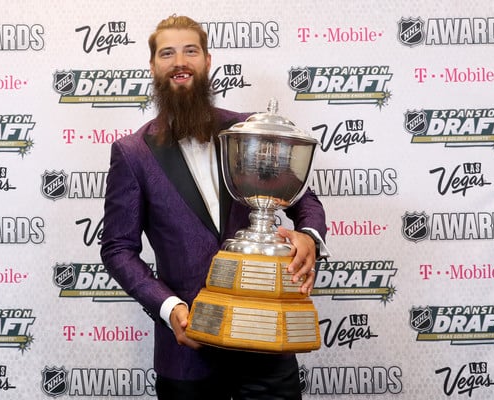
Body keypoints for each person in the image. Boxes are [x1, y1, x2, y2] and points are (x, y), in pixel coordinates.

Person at [100, 15, 327, 400]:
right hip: (187, 355)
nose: (180, 61)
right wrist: (169, 308)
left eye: (190, 50)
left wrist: (309, 236)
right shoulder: (133, 153)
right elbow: (118, 249)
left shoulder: (249, 131)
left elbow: (306, 201)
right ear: (153, 66)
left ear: (207, 60)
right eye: (167, 53)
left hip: (266, 344)